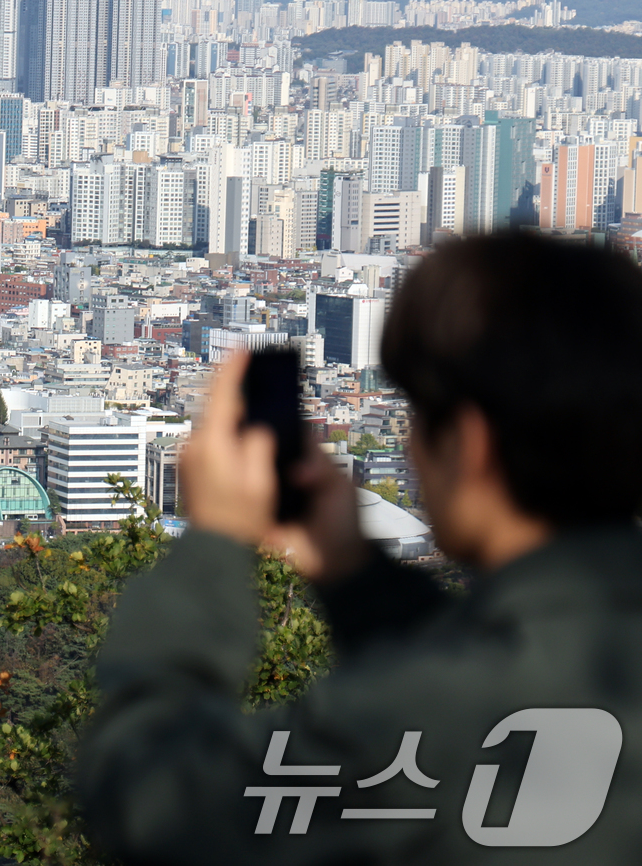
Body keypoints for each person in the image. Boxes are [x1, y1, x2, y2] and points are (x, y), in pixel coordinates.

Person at [77, 233, 642, 864]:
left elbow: (150, 801)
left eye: (418, 418)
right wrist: (354, 575)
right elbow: (506, 657)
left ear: (470, 444)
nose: (409, 451)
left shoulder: (420, 725)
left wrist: (214, 542)